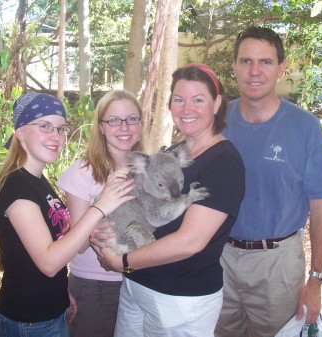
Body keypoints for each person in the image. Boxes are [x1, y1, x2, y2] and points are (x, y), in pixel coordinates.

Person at [90, 64, 245, 337]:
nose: (187, 109)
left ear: (217, 103)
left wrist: (123, 260)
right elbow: (129, 201)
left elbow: (190, 242)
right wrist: (101, 231)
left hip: (179, 298)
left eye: (198, 99)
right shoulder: (172, 154)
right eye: (179, 99)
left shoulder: (223, 162)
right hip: (137, 285)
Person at [214, 26, 322, 337]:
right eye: (245, 61)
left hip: (278, 264)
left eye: (265, 62)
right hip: (220, 258)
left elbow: (321, 212)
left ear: (281, 69)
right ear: (234, 67)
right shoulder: (217, 122)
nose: (254, 71)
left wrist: (316, 280)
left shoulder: (305, 128)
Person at [0, 92, 136, 337]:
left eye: (61, 129)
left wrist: (61, 290)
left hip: (50, 310)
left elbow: (47, 251)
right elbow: (48, 262)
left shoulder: (37, 181)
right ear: (20, 132)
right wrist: (100, 206)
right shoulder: (17, 187)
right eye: (44, 126)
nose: (56, 136)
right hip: (28, 321)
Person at [56, 90, 143, 337]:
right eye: (114, 120)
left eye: (132, 119)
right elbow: (80, 244)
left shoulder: (147, 168)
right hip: (98, 286)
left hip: (142, 280)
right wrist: (103, 202)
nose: (124, 127)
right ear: (101, 127)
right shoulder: (83, 172)